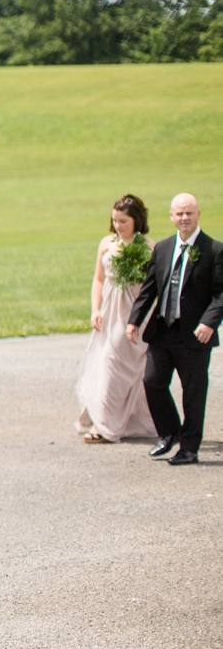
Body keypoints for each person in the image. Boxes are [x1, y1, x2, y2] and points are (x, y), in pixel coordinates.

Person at [127, 194, 223, 465]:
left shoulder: (215, 250)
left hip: (195, 334)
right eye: (179, 213)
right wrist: (134, 320)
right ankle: (169, 432)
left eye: (189, 213)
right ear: (171, 216)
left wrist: (209, 322)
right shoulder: (163, 248)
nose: (184, 218)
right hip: (163, 330)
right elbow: (150, 289)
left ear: (198, 215)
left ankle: (189, 449)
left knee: (193, 392)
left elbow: (221, 293)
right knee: (152, 381)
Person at [75, 195, 156, 442]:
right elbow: (98, 279)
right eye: (114, 220)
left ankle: (107, 424)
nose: (118, 226)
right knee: (103, 361)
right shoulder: (106, 243)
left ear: (136, 220)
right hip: (109, 311)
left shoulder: (149, 247)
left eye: (123, 221)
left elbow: (153, 287)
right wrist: (95, 309)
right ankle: (104, 421)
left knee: (115, 361)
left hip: (133, 312)